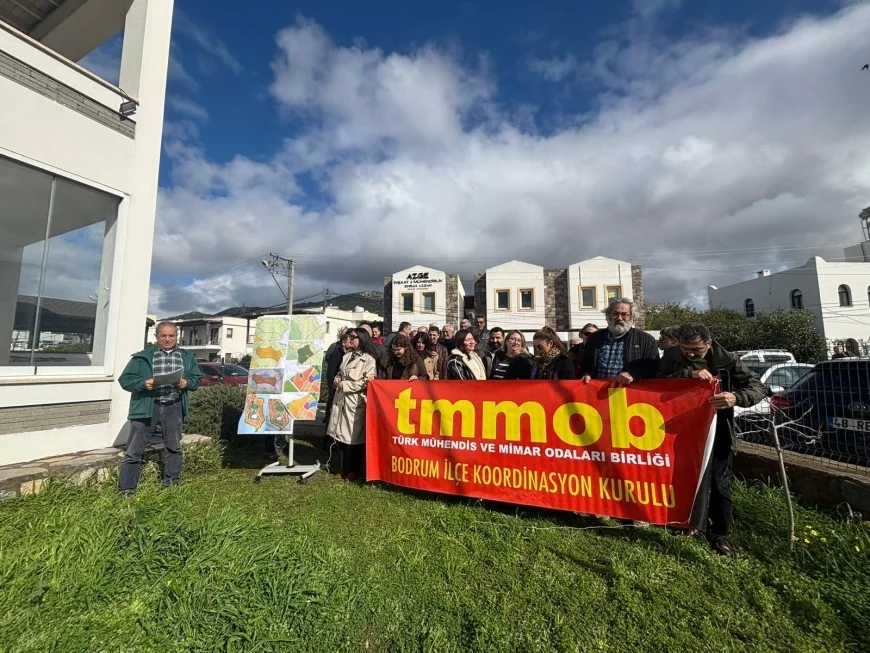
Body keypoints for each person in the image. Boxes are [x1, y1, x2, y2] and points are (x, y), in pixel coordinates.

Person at [659, 323, 765, 556]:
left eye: (696, 349)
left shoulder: (728, 360)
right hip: (679, 429)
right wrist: (688, 374)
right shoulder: (671, 356)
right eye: (686, 349)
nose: (691, 354)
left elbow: (757, 386)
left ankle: (719, 534)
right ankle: (686, 523)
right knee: (682, 478)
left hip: (717, 429)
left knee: (719, 483)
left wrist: (735, 397)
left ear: (708, 344)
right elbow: (658, 380)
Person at [118, 322, 202, 494]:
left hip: (174, 406)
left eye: (171, 335)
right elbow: (125, 380)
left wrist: (187, 383)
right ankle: (126, 490)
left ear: (176, 337)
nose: (167, 339)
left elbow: (196, 379)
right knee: (134, 450)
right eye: (163, 335)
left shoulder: (187, 357)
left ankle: (171, 485)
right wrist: (143, 384)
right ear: (156, 337)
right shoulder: (142, 357)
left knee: (173, 448)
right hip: (147, 406)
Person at [327, 328, 378, 481]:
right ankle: (343, 469)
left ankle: (353, 470)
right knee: (340, 436)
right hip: (341, 400)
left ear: (361, 339)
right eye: (349, 336)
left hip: (355, 402)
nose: (350, 339)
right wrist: (337, 379)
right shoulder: (347, 355)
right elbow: (340, 373)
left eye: (353, 337)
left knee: (353, 439)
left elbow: (367, 382)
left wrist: (346, 385)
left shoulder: (369, 360)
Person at [580, 298, 659, 386]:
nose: (619, 318)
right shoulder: (594, 338)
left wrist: (633, 374)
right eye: (615, 314)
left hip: (629, 395)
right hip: (597, 392)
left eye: (624, 314)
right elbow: (585, 363)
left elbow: (653, 367)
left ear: (632, 317)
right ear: (608, 316)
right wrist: (586, 374)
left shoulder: (646, 340)